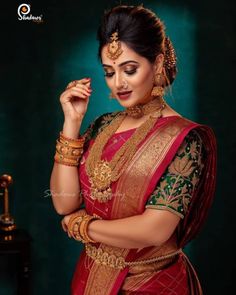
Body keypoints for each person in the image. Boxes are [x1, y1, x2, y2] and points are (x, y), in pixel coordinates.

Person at [50, 5, 217, 295]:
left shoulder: (184, 138)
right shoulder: (103, 125)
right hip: (90, 278)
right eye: (109, 72)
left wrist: (81, 227)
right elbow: (65, 204)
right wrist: (72, 122)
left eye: (130, 69)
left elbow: (155, 230)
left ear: (158, 62)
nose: (119, 83)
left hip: (151, 283)